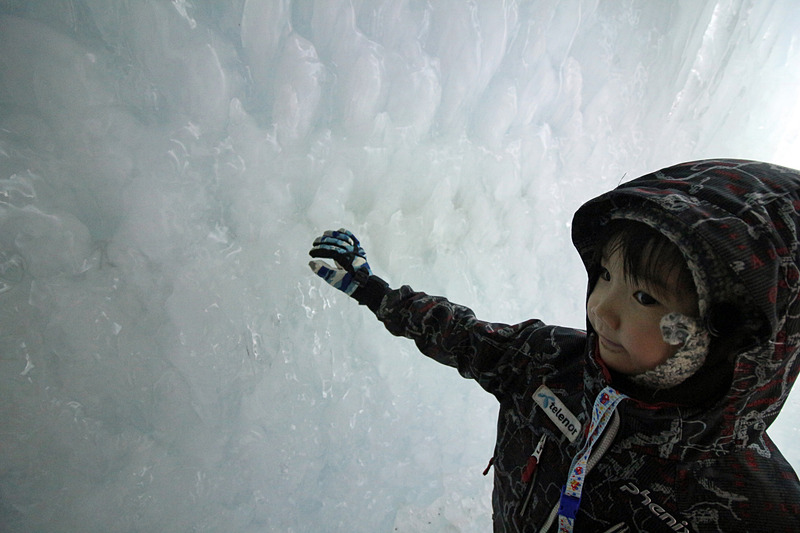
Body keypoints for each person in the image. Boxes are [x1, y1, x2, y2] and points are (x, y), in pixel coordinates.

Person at [308, 159, 800, 532]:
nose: (600, 309)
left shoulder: (750, 503)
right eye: (604, 274)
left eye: (645, 297)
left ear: (724, 337)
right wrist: (373, 291)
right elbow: (461, 335)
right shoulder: (550, 363)